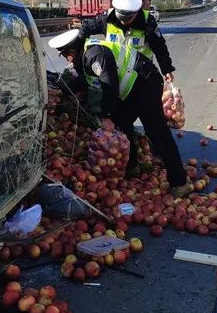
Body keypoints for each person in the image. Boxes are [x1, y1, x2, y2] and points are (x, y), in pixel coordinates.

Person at [48, 29, 189, 197]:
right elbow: (85, 79)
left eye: (66, 56)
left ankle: (180, 182)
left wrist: (106, 116)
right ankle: (131, 166)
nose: (67, 60)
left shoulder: (95, 55)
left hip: (146, 83)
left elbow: (109, 83)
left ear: (72, 51)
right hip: (132, 87)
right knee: (122, 122)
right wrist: (62, 91)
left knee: (157, 132)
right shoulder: (86, 56)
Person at [78, 0, 175, 83]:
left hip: (140, 74)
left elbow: (159, 47)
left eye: (128, 18)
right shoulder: (107, 18)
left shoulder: (147, 21)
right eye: (121, 17)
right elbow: (85, 28)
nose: (123, 22)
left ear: (136, 12)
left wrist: (166, 70)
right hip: (115, 73)